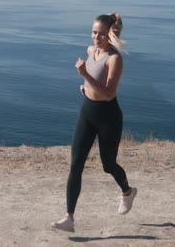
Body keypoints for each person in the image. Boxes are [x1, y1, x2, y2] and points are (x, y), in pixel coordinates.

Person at [52, 13, 137, 233]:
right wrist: (85, 87)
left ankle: (127, 192)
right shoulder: (92, 51)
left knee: (108, 165)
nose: (95, 37)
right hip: (87, 112)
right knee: (75, 165)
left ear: (109, 34)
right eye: (93, 32)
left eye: (100, 33)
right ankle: (69, 218)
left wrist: (85, 76)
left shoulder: (114, 59)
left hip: (108, 116)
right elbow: (93, 82)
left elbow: (109, 94)